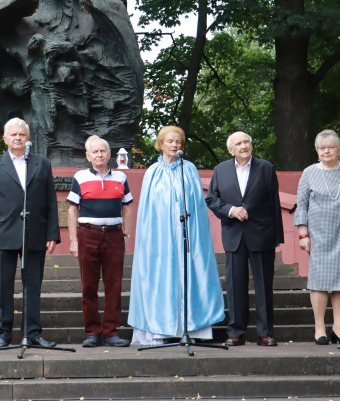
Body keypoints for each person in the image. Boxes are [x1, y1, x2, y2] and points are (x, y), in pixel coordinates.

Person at [128, 126, 225, 346]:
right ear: (160, 144)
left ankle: (192, 328)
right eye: (170, 141)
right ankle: (159, 329)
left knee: (190, 275)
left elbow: (197, 207)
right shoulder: (152, 172)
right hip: (160, 239)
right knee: (160, 276)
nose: (174, 145)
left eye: (178, 142)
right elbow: (146, 211)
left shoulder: (189, 169)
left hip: (187, 236)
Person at [0, 118, 61, 349]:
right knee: (2, 286)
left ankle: (32, 333)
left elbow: (51, 201)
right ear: (4, 139)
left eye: (21, 135)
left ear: (28, 138)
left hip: (34, 232)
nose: (17, 138)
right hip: (3, 233)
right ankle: (3, 334)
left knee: (33, 285)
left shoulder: (41, 163)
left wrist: (52, 233)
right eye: (13, 134)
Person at [205, 131, 284, 346]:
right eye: (238, 143)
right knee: (234, 285)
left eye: (247, 141)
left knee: (264, 285)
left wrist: (278, 236)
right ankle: (236, 332)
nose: (244, 146)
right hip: (234, 234)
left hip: (262, 233)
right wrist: (231, 210)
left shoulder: (265, 167)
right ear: (231, 149)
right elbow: (212, 199)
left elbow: (274, 202)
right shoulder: (221, 170)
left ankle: (265, 332)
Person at [294, 130, 340, 345]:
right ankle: (320, 328)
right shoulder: (309, 172)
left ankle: (339, 328)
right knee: (319, 282)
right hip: (318, 234)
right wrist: (303, 234)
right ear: (316, 151)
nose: (326, 151)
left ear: (339, 150)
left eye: (331, 147)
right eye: (321, 147)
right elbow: (301, 205)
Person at [66, 135, 134, 348]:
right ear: (88, 156)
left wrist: (126, 235)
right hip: (88, 234)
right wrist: (73, 240)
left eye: (102, 151)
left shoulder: (121, 178)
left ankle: (111, 332)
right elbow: (72, 209)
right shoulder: (80, 176)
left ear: (109, 154)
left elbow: (127, 207)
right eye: (94, 151)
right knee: (89, 285)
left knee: (114, 284)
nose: (99, 154)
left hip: (114, 235)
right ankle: (93, 332)